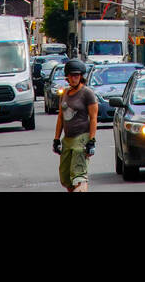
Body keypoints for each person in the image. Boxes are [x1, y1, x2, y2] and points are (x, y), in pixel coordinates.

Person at [52, 58, 98, 193]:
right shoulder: (65, 93)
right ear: (67, 77)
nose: (74, 78)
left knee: (79, 176)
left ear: (81, 76)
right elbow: (61, 117)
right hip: (67, 139)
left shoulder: (87, 93)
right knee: (65, 178)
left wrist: (91, 140)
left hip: (81, 138)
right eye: (71, 76)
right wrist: (56, 139)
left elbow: (94, 117)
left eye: (76, 75)